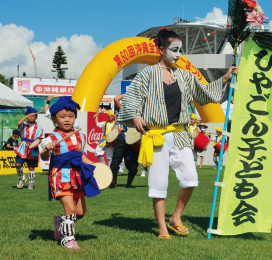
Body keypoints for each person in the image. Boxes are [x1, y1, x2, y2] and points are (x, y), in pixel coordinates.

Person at [117, 27, 238, 239]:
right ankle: (162, 228)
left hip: (181, 135)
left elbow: (205, 93)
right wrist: (136, 116)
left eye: (181, 50)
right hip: (156, 136)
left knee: (191, 178)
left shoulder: (185, 75)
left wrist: (226, 77)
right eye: (174, 49)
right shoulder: (146, 74)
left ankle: (176, 217)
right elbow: (131, 100)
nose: (178, 54)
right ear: (162, 49)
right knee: (159, 183)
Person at [40, 96, 100, 249]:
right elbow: (44, 156)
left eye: (70, 116)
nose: (67, 120)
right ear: (54, 119)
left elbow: (80, 155)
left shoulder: (80, 135)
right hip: (60, 176)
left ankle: (61, 222)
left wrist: (94, 165)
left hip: (78, 176)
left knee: (80, 213)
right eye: (62, 117)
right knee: (71, 210)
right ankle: (68, 239)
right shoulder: (50, 138)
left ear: (75, 117)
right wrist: (48, 149)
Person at [110, 94, 139, 188]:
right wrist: (130, 93)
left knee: (133, 165)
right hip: (122, 138)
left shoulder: (140, 113)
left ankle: (129, 184)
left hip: (133, 141)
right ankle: (113, 181)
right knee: (115, 161)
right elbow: (116, 99)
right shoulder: (124, 110)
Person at [15, 106, 43, 189]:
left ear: (35, 117)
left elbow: (39, 139)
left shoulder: (39, 128)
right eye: (29, 115)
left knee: (31, 167)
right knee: (18, 164)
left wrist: (34, 144)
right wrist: (26, 116)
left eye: (32, 115)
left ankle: (31, 183)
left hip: (33, 148)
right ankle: (21, 178)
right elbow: (18, 123)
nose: (31, 117)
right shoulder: (23, 125)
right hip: (22, 147)